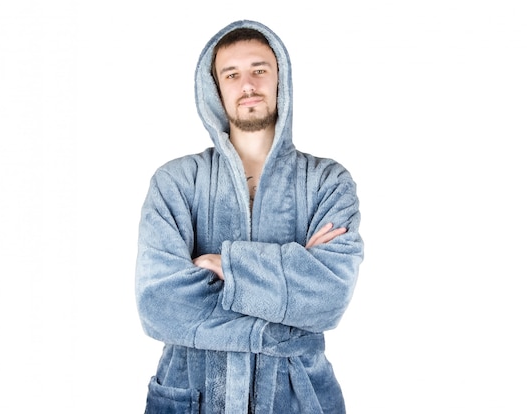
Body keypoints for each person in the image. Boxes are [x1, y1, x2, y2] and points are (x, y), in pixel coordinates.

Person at [135, 19, 364, 413]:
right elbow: (160, 304)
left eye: (260, 70)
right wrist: (290, 286)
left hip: (297, 399)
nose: (248, 85)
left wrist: (227, 265)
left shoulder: (329, 182)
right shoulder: (174, 182)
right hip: (191, 397)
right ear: (216, 89)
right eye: (232, 74)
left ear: (281, 79)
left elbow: (329, 297)